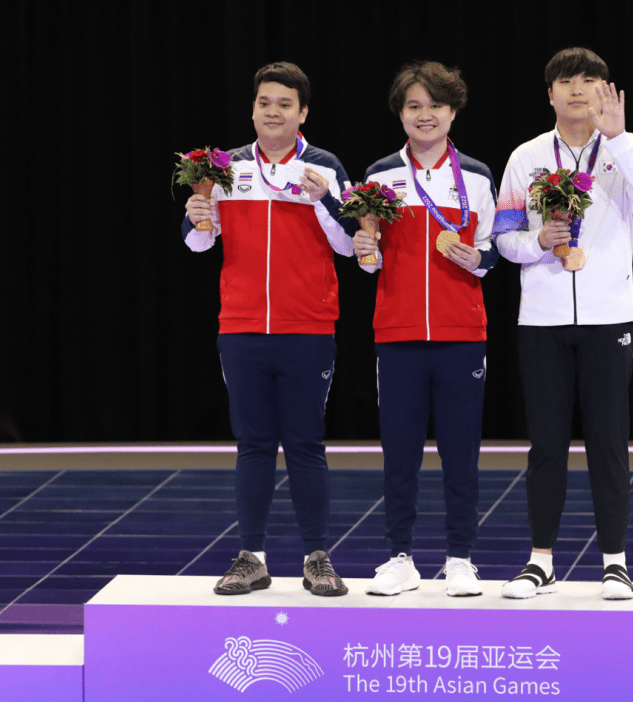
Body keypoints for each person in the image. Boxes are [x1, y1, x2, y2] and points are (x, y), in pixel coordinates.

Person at [493, 47, 633, 600]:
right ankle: (540, 561)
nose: (577, 90)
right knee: (546, 444)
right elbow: (504, 237)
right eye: (565, 81)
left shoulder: (628, 147)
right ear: (549, 94)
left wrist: (619, 140)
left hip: (609, 316)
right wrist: (537, 242)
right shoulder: (526, 157)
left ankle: (615, 562)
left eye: (589, 80)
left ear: (604, 91)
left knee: (608, 442)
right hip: (541, 320)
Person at [182, 62, 354, 597]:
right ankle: (251, 558)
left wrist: (325, 199)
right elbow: (197, 243)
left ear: (303, 113)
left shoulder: (324, 166)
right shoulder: (225, 168)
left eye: (284, 103)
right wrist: (197, 211)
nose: (273, 112)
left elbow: (351, 245)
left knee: (305, 443)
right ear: (252, 110)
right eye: (264, 103)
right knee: (253, 443)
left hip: (308, 327)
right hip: (242, 327)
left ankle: (317, 558)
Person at [352, 61, 498, 597]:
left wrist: (477, 258)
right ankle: (400, 558)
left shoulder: (477, 176)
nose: (425, 115)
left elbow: (495, 250)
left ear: (452, 111)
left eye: (435, 104)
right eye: (413, 105)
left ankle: (461, 558)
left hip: (462, 334)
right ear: (401, 114)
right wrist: (364, 252)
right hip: (398, 333)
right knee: (400, 453)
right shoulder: (379, 176)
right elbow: (370, 259)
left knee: (461, 454)